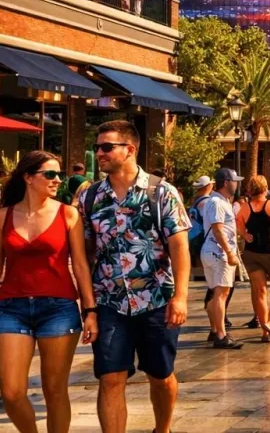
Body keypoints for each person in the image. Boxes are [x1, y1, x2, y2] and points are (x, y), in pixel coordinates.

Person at [0, 151, 98, 433]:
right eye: (49, 174)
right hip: (11, 308)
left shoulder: (68, 214)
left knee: (54, 390)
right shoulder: (4, 215)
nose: (57, 180)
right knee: (12, 393)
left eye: (59, 174)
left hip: (59, 308)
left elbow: (80, 265)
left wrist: (90, 310)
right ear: (28, 178)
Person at [79, 120, 191, 433]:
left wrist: (180, 296)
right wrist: (88, 308)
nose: (99, 153)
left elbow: (180, 247)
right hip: (109, 302)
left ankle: (162, 429)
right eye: (97, 147)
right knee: (110, 377)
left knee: (160, 375)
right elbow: (84, 254)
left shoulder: (161, 193)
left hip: (156, 300)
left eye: (106, 147)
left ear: (129, 150)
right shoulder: (89, 199)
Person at [235, 175, 270, 343]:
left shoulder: (245, 207)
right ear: (265, 188)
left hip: (251, 253)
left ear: (250, 190)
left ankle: (264, 332)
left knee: (260, 292)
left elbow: (239, 227)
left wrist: (245, 234)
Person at [201, 168, 243, 349]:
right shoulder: (217, 202)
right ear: (226, 183)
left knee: (215, 293)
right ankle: (221, 334)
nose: (237, 184)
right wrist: (230, 252)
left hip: (212, 251)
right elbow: (218, 229)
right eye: (234, 181)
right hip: (219, 253)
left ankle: (214, 330)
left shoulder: (219, 201)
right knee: (221, 294)